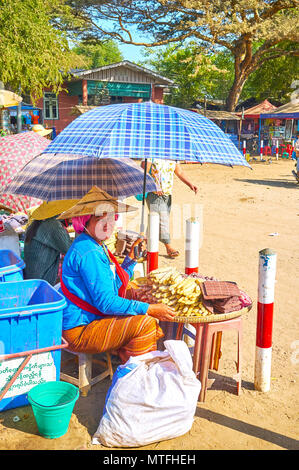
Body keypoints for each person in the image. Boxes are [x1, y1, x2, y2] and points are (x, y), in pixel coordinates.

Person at [58, 186, 176, 364]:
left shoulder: (94, 243)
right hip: (79, 331)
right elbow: (107, 303)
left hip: (89, 318)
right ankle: (134, 375)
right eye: (99, 218)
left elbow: (112, 288)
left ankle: (124, 352)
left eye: (111, 217)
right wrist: (149, 309)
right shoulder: (89, 251)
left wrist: (130, 261)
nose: (107, 224)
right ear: (86, 221)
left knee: (136, 296)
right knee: (146, 323)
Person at [141, 159, 198, 258]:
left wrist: (190, 184)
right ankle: (168, 246)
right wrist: (154, 185)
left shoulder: (172, 155)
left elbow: (179, 172)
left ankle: (143, 245)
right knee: (162, 221)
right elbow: (143, 172)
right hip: (153, 194)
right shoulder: (151, 154)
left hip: (167, 195)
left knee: (155, 220)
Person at [24, 201, 74, 286]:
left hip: (32, 276)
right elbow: (70, 250)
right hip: (43, 280)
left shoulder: (36, 223)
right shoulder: (52, 225)